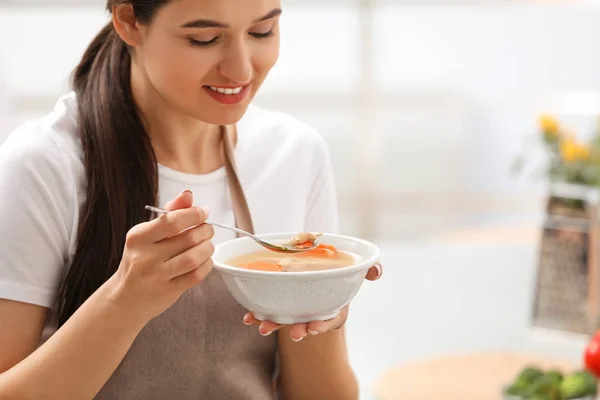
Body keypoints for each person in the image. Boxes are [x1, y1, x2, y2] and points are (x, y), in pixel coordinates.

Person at [0, 0, 383, 399]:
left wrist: (322, 300)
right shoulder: (44, 165)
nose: (241, 69)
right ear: (129, 21)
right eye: (204, 39)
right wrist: (125, 300)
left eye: (261, 32)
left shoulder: (295, 155)